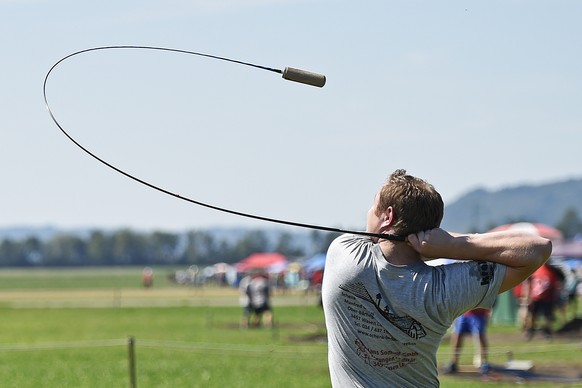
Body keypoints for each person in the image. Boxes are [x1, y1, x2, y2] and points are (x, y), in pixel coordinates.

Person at [321, 169, 552, 387]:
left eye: (373, 206)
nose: (368, 213)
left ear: (388, 216)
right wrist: (454, 245)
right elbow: (538, 249)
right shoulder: (444, 288)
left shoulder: (344, 254)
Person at [443, 308, 491, 375]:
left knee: (480, 336)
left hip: (479, 313)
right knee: (457, 335)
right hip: (463, 313)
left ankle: (484, 363)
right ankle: (453, 362)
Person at [523, 262, 563, 340]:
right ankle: (530, 330)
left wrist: (557, 293)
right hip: (535, 297)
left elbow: (559, 282)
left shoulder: (553, 270)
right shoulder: (534, 269)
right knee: (532, 315)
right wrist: (527, 296)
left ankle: (548, 332)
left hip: (548, 298)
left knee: (548, 316)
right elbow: (528, 283)